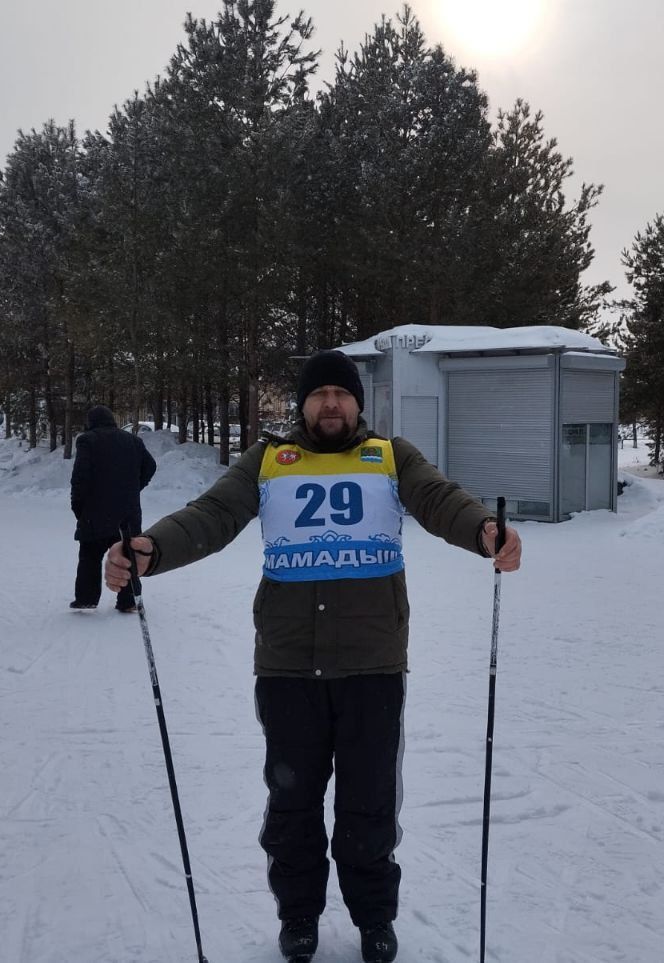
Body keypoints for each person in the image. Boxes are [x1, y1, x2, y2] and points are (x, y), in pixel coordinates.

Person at [104, 349, 522, 963]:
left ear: (359, 403)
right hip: (288, 663)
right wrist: (151, 550)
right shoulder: (270, 459)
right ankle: (298, 915)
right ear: (303, 405)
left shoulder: (390, 456)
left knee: (370, 801)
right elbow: (213, 514)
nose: (331, 403)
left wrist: (486, 530)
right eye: (319, 393)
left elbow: (439, 498)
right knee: (293, 802)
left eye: (341, 394)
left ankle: (374, 918)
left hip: (373, 662)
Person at [70, 405, 157, 612]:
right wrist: (135, 487)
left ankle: (86, 598)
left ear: (91, 422)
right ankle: (129, 601)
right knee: (128, 554)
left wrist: (78, 506)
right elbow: (150, 466)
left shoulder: (87, 440)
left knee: (90, 555)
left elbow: (80, 478)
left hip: (95, 511)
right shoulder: (133, 441)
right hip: (127, 511)